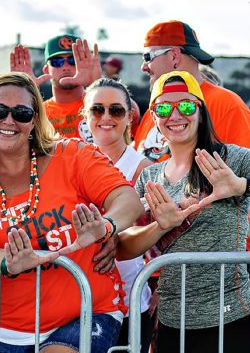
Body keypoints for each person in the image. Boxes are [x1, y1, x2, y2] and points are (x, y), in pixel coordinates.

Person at [0, 72, 144, 352]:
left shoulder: (72, 155)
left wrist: (106, 226)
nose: (9, 121)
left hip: (87, 312)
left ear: (34, 120)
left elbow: (127, 199)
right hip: (9, 330)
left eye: (21, 113)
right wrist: (7, 262)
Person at [118, 71, 250, 352]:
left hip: (232, 319)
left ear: (200, 113)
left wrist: (241, 185)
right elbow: (123, 248)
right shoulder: (150, 176)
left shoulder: (228, 159)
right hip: (171, 320)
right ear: (154, 118)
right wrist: (160, 226)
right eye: (163, 108)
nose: (175, 115)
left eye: (186, 106)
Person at [82, 78, 154, 352]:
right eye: (97, 110)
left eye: (116, 110)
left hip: (131, 300)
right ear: (86, 116)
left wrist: (161, 287)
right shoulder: (70, 160)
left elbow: (165, 234)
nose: (106, 118)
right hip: (78, 300)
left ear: (129, 117)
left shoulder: (144, 168)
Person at [133, 20, 250, 162]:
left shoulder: (227, 105)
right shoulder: (156, 107)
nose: (143, 67)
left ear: (174, 55)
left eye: (148, 57)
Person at [9, 35, 101, 142]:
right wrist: (20, 92)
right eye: (57, 62)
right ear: (47, 70)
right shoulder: (38, 113)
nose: (65, 67)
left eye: (73, 61)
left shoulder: (102, 105)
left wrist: (98, 85)